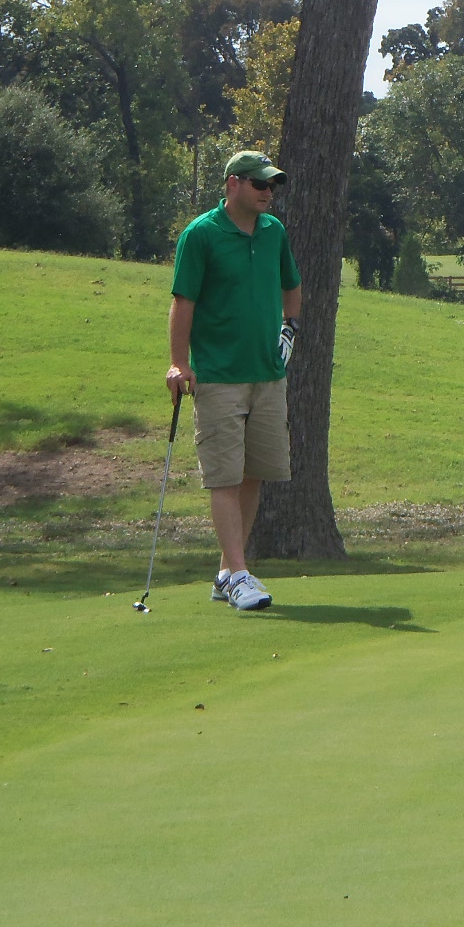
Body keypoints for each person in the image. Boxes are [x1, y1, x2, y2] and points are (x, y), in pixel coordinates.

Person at [167, 150, 301, 614]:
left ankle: (228, 572)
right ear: (233, 184)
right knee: (224, 476)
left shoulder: (273, 231)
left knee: (253, 474)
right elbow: (183, 302)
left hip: (267, 375)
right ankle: (240, 576)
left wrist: (290, 329)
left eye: (272, 185)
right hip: (219, 376)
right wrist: (179, 363)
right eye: (260, 184)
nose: (268, 192)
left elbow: (291, 284)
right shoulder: (201, 234)